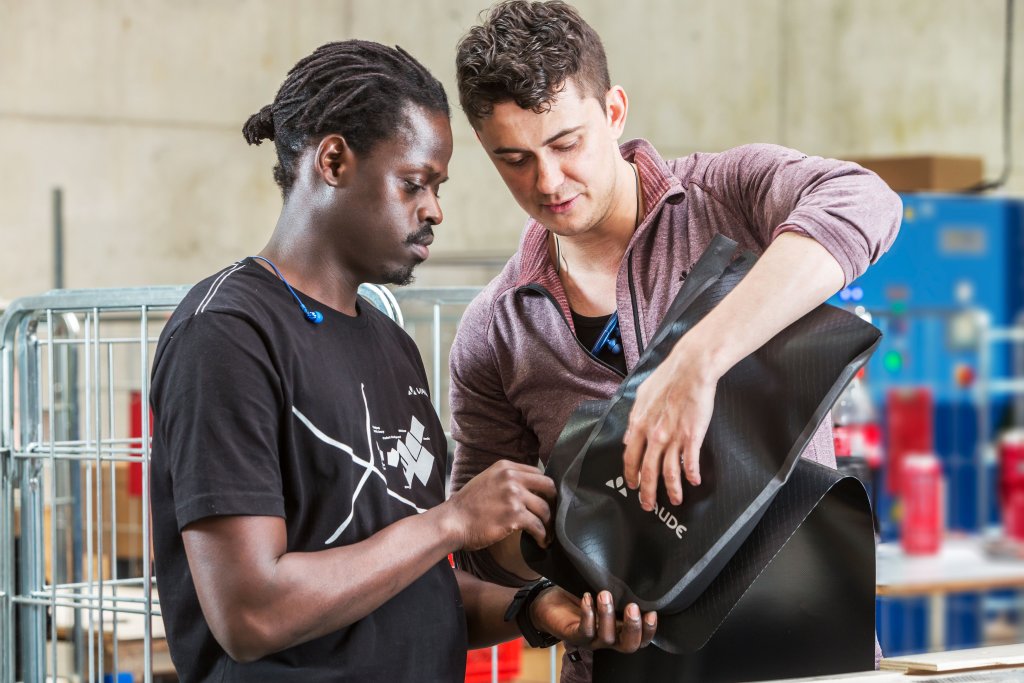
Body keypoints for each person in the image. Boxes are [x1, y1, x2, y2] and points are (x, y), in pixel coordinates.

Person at [149, 40, 656, 682]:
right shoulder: (227, 334)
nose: (434, 210)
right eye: (414, 183)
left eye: (437, 187)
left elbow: (409, 589)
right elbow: (252, 615)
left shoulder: (388, 342)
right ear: (333, 160)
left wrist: (537, 609)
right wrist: (452, 522)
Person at [448, 2, 902, 680]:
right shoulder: (496, 328)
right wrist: (570, 567)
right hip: (628, 660)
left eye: (566, 143)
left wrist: (696, 358)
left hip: (805, 643)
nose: (546, 182)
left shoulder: (728, 197)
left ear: (615, 111)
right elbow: (486, 541)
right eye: (513, 159)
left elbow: (865, 203)